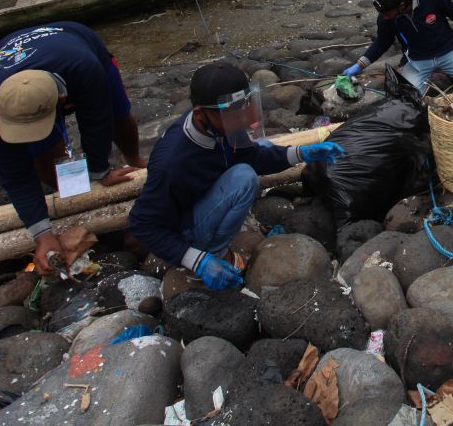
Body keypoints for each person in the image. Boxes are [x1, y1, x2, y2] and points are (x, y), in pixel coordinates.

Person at [128, 63, 344, 290]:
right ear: (200, 114)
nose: (241, 117)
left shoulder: (220, 125)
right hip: (182, 229)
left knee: (252, 158)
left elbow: (253, 156)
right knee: (244, 177)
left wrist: (300, 152)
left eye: (244, 105)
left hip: (202, 200)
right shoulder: (173, 163)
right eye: (233, 111)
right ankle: (213, 252)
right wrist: (197, 260)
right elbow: (143, 224)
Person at [0, 22, 145, 275]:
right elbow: (14, 176)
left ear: (62, 100)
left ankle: (134, 159)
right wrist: (41, 234)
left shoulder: (85, 69)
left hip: (77, 44)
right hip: (19, 58)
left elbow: (97, 120)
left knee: (118, 115)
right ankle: (70, 196)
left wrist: (100, 170)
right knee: (43, 155)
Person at [343, 0, 453, 93]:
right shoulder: (386, 18)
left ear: (401, 5)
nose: (384, 17)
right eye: (382, 13)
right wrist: (359, 65)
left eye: (387, 13)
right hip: (417, 60)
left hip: (449, 51)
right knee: (407, 97)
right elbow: (382, 42)